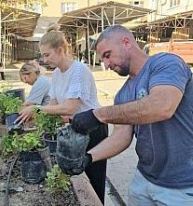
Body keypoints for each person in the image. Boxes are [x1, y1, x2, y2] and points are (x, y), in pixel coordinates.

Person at [71, 25, 193, 205]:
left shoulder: (166, 63)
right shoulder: (123, 94)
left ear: (126, 42)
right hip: (143, 180)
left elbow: (162, 106)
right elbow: (121, 136)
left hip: (181, 188)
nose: (105, 64)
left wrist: (98, 115)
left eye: (107, 55)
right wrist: (88, 158)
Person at [16, 23, 108, 204]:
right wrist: (39, 120)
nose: (44, 60)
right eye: (42, 55)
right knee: (77, 174)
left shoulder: (78, 71)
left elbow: (69, 107)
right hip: (75, 129)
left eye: (47, 55)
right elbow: (54, 104)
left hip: (93, 130)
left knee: (93, 179)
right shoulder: (57, 74)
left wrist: (36, 109)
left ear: (60, 50)